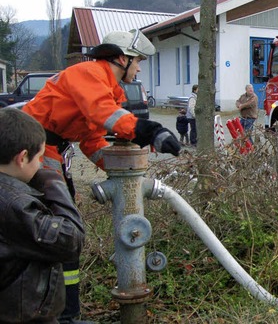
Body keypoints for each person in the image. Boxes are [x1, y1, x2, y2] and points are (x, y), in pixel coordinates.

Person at [23, 29, 180, 323]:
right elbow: (103, 113)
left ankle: (67, 312)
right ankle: (59, 313)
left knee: (64, 232)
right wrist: (150, 131)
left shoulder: (106, 87)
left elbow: (93, 141)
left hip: (48, 152)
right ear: (122, 58)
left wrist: (123, 173)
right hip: (33, 151)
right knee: (58, 232)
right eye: (138, 61)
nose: (140, 67)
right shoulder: (88, 73)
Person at [0, 108, 85, 323]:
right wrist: (53, 181)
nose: (40, 164)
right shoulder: (14, 205)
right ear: (22, 158)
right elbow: (71, 240)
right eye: (39, 157)